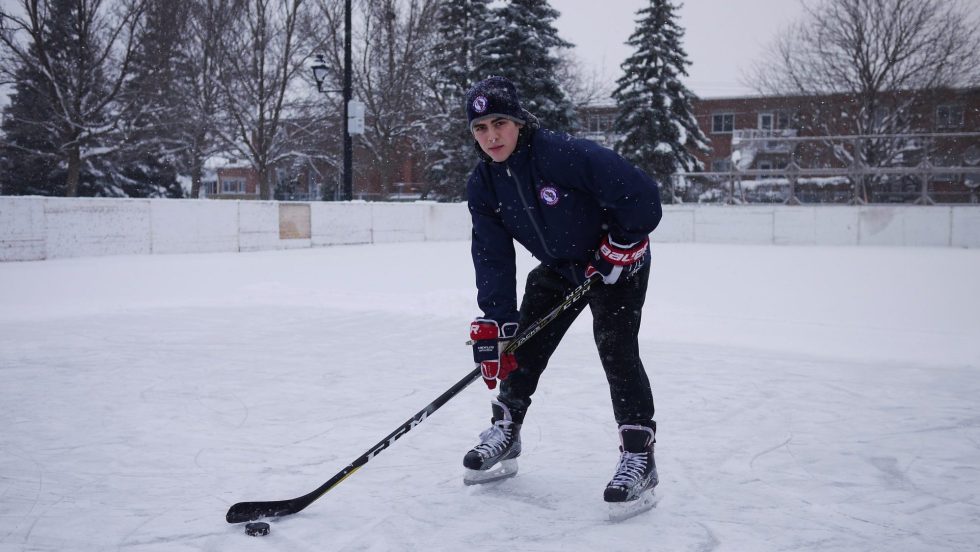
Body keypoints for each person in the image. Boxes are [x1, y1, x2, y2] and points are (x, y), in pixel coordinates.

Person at [462, 76, 663, 516]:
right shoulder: (483, 184)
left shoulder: (560, 154)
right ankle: (507, 430)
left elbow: (644, 197)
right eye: (480, 128)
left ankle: (638, 455)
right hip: (560, 268)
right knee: (521, 348)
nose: (491, 136)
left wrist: (622, 245)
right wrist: (498, 321)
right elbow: (492, 255)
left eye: (499, 122)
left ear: (518, 121)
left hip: (617, 264)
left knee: (616, 348)